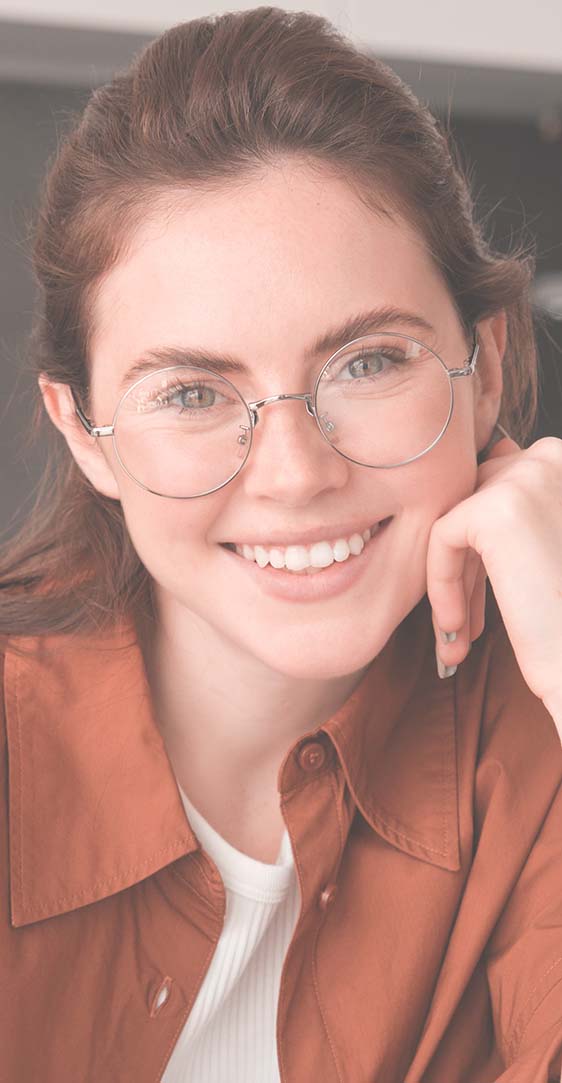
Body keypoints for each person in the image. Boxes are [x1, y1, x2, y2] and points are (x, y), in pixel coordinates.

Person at [1, 7, 561, 1082]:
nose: (297, 473)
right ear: (86, 436)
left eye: (366, 364)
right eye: (194, 392)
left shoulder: (534, 736)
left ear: (484, 369)